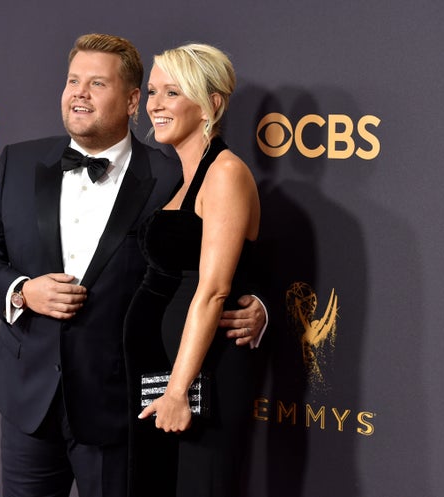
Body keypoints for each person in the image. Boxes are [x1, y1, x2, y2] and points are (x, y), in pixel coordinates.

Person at [0, 33, 266, 497]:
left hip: (119, 404)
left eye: (96, 83)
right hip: (27, 400)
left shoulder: (172, 174)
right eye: (72, 80)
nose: (79, 93)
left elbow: (212, 256)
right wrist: (22, 290)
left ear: (130, 100)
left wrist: (258, 304)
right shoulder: (18, 162)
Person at [125, 43, 260, 497]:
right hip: (164, 375)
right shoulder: (183, 177)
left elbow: (214, 290)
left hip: (202, 380)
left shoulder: (224, 173)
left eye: (172, 93)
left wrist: (179, 390)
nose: (155, 105)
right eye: (153, 92)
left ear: (211, 104)